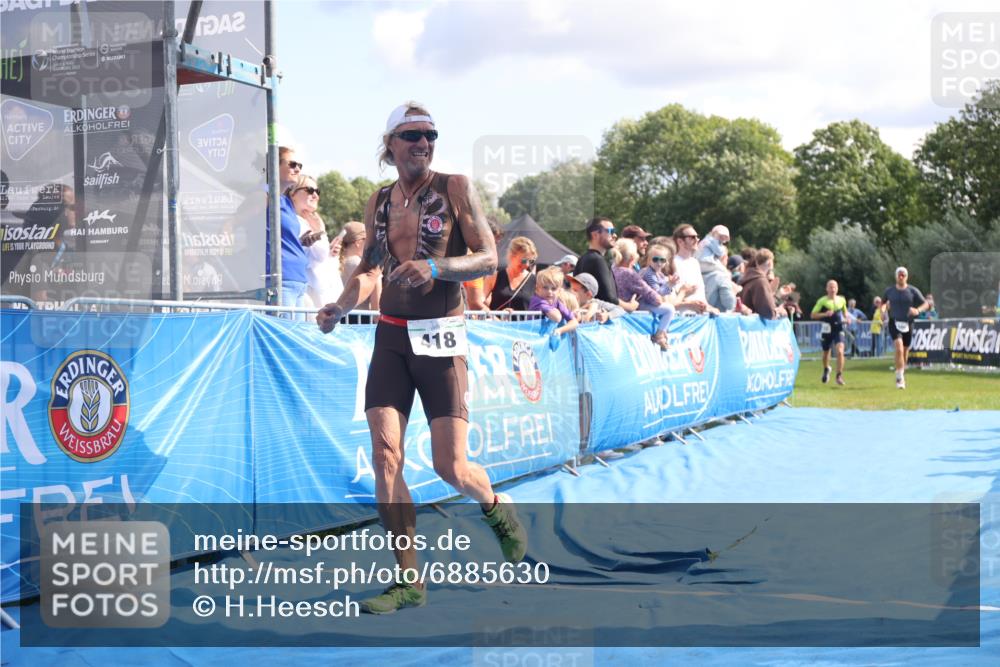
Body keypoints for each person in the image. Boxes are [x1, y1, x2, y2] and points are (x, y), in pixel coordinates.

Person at [316, 102, 526, 614]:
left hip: (441, 338)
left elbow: (488, 258)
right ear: (390, 144)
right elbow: (370, 268)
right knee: (385, 457)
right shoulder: (379, 200)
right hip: (391, 337)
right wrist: (340, 306)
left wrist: (435, 267)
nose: (423, 143)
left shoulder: (454, 187)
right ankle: (409, 580)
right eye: (412, 135)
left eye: (430, 134)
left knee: (450, 467)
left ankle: (496, 506)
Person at [266, 146, 312, 319]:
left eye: (299, 165)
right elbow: (234, 224)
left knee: (294, 334)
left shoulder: (285, 200)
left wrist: (299, 242)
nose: (297, 169)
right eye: (292, 164)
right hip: (280, 281)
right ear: (273, 165)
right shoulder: (262, 195)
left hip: (297, 281)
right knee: (283, 334)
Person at [286, 174, 343, 308]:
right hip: (305, 293)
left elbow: (321, 258)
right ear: (293, 193)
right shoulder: (292, 221)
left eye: (317, 191)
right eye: (310, 190)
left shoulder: (309, 222)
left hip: (318, 296)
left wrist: (331, 254)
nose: (315, 195)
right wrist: (320, 231)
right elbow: (318, 256)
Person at [612, 238, 673, 349]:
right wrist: (669, 286)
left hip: (619, 312)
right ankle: (659, 335)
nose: (659, 263)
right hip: (629, 312)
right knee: (669, 309)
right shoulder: (629, 273)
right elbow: (655, 298)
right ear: (632, 258)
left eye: (662, 260)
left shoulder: (613, 269)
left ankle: (662, 332)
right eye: (655, 259)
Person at [574, 217, 638, 313]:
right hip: (599, 318)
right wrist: (630, 306)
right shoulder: (597, 260)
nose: (615, 235)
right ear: (595, 234)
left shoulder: (583, 259)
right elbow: (608, 298)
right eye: (610, 231)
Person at [881, 266, 929, 389]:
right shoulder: (889, 291)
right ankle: (899, 378)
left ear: (906, 277)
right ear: (896, 276)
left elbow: (926, 304)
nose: (901, 277)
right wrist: (883, 311)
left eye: (903, 275)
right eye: (899, 275)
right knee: (899, 348)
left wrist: (917, 310)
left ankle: (901, 371)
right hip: (894, 322)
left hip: (908, 323)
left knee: (905, 351)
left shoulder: (913, 291)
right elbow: (883, 303)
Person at [811, 279, 849, 385]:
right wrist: (825, 314)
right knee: (825, 353)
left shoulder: (842, 300)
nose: (833, 289)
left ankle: (839, 376)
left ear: (837, 289)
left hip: (839, 328)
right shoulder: (822, 301)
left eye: (834, 287)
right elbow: (813, 315)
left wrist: (847, 319)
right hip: (827, 329)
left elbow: (845, 313)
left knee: (840, 351)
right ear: (827, 289)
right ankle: (826, 368)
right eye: (830, 287)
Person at [671, 223, 714, 314]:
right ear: (680, 241)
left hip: (699, 317)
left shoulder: (695, 262)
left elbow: (700, 293)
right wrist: (690, 304)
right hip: (681, 316)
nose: (697, 239)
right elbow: (672, 297)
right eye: (692, 237)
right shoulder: (671, 262)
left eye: (697, 237)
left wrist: (709, 307)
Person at [463, 216, 503, 311]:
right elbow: (475, 303)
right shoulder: (475, 262)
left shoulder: (466, 254)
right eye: (494, 242)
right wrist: (496, 318)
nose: (495, 247)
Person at [487, 236, 537, 311]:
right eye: (523, 260)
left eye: (531, 261)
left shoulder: (535, 280)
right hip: (496, 319)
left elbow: (546, 302)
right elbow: (479, 303)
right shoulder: (494, 277)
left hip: (525, 319)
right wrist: (495, 315)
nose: (527, 264)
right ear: (512, 256)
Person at [340, 221, 381, 312]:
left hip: (345, 315)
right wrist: (377, 316)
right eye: (368, 239)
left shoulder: (336, 262)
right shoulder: (357, 263)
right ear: (358, 242)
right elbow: (376, 292)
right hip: (361, 317)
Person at [529, 266, 579, 338]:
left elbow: (574, 322)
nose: (549, 291)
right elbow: (557, 318)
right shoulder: (537, 300)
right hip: (532, 337)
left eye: (554, 288)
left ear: (559, 291)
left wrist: (560, 330)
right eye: (545, 287)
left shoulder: (557, 302)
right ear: (537, 288)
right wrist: (558, 311)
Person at [739, 248, 789, 319]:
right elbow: (768, 312)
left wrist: (773, 292)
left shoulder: (748, 278)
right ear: (770, 263)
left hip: (746, 323)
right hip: (756, 324)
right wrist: (780, 312)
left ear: (756, 262)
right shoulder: (761, 281)